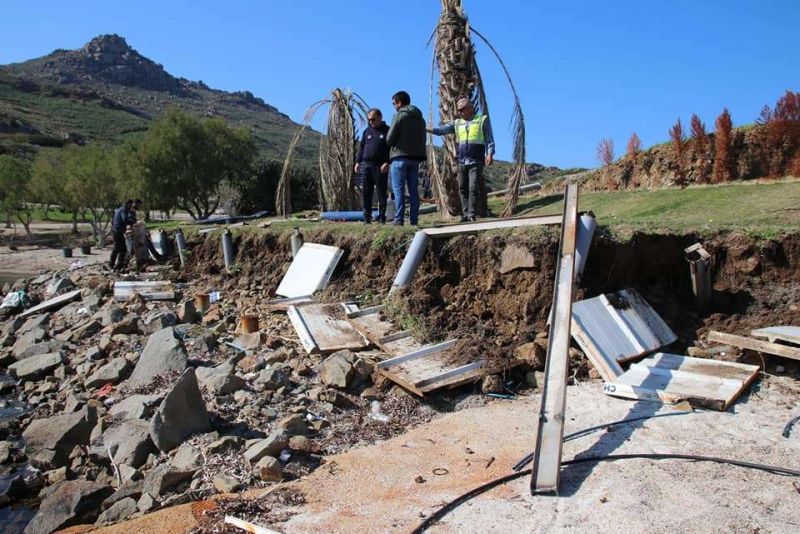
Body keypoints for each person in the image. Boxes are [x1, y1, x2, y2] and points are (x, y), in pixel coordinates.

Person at [427, 96, 495, 222]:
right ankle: (465, 214)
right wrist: (427, 129)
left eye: (462, 109)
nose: (459, 112)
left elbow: (489, 139)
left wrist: (490, 154)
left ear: (470, 108)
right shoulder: (457, 123)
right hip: (462, 160)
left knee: (473, 187)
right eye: (458, 110)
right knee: (463, 188)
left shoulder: (481, 120)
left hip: (476, 160)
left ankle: (471, 214)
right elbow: (442, 130)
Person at [386, 90, 426, 226]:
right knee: (413, 190)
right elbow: (423, 138)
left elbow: (390, 137)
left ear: (399, 102)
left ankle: (399, 219)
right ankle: (414, 219)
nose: (394, 106)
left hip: (399, 157)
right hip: (415, 158)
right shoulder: (420, 118)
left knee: (398, 190)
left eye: (394, 103)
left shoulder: (399, 116)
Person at [354, 108, 390, 224]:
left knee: (381, 192)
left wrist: (388, 162)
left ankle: (382, 217)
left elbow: (392, 149)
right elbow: (361, 147)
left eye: (373, 119)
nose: (371, 122)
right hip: (367, 165)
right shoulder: (367, 131)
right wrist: (358, 162)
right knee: (366, 192)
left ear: (380, 117)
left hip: (380, 166)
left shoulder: (387, 131)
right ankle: (367, 217)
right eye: (369, 119)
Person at [109, 199, 133, 271]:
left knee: (122, 249)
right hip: (118, 231)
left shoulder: (119, 209)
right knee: (117, 248)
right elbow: (124, 219)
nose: (131, 206)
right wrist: (131, 223)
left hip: (117, 231)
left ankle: (119, 264)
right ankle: (111, 264)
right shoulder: (123, 210)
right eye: (130, 205)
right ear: (128, 204)